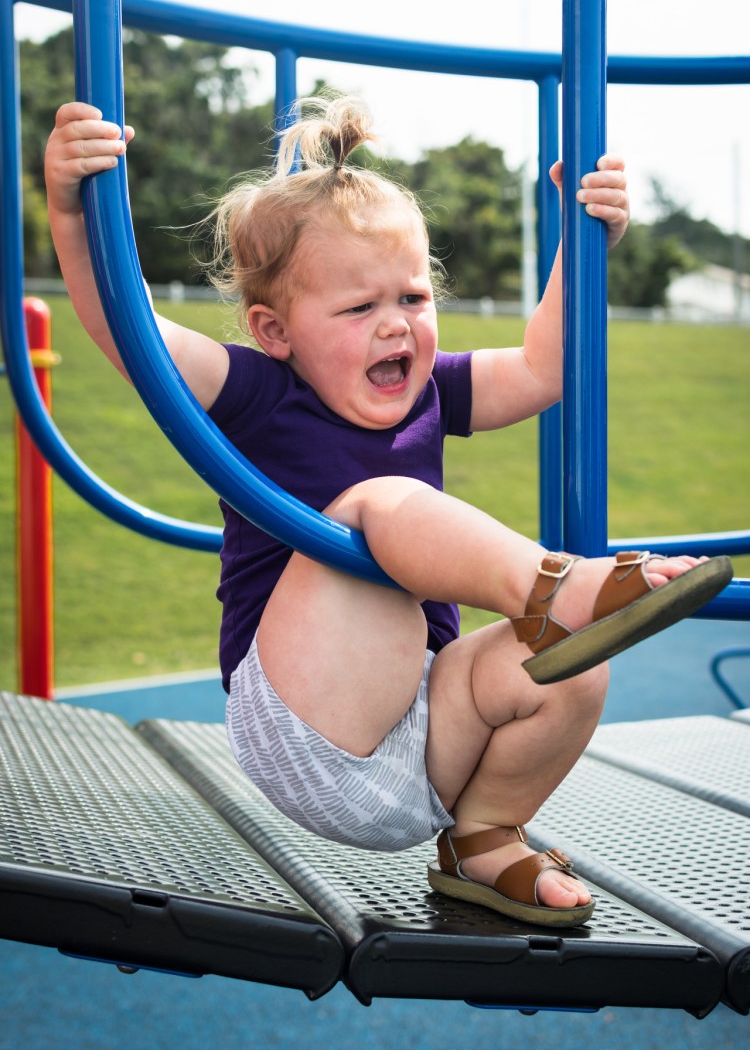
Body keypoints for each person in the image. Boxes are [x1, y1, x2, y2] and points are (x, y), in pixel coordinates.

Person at [45, 96, 732, 928]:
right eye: (359, 308)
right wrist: (72, 210)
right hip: (304, 719)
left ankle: (484, 838)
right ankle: (556, 587)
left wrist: (580, 245)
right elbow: (131, 335)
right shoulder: (259, 391)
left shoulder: (433, 391)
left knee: (574, 665)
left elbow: (544, 368)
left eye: (411, 296)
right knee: (381, 503)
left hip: (430, 740)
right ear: (274, 330)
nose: (395, 326)